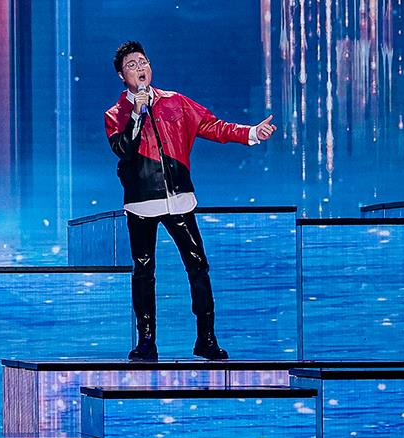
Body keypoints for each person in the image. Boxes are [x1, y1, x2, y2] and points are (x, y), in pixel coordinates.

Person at [104, 40, 276, 361]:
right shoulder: (116, 114)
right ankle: (146, 341)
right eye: (131, 65)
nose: (140, 68)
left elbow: (212, 125)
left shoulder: (175, 102)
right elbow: (123, 149)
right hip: (142, 203)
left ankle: (206, 338)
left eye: (143, 61)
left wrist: (251, 133)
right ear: (121, 76)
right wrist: (137, 114)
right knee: (143, 271)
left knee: (198, 266)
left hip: (180, 199)